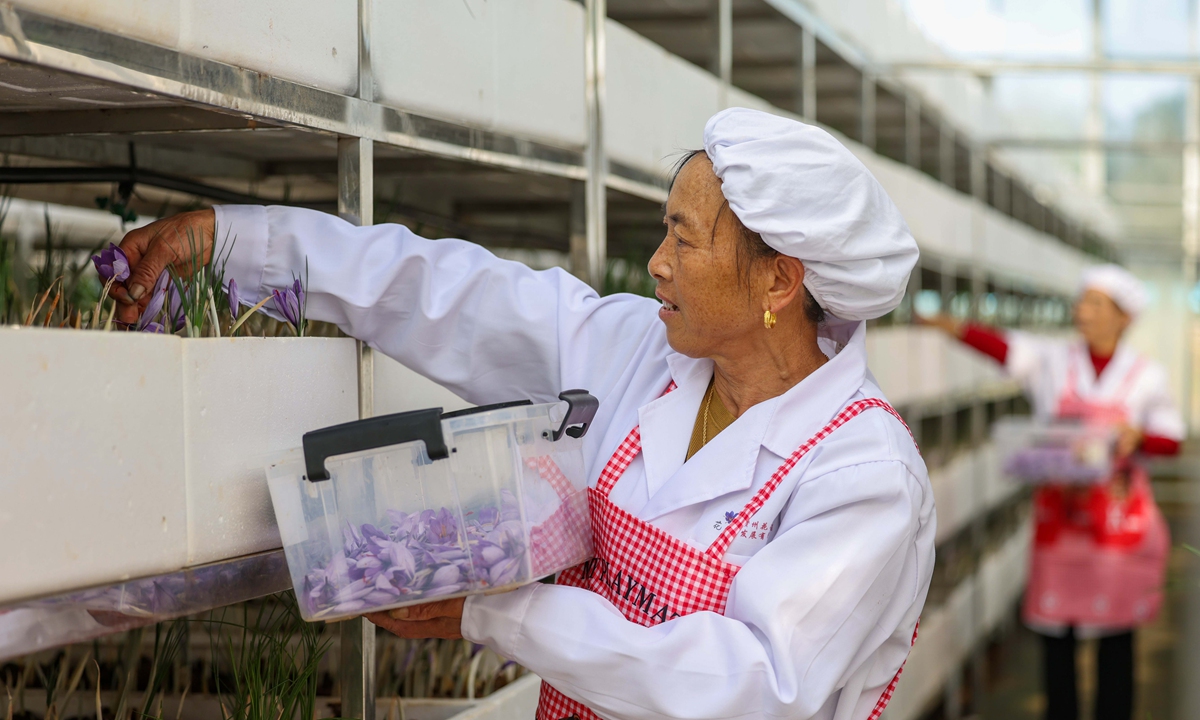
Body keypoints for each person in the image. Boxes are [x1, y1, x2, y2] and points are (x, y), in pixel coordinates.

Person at [114, 108, 935, 720]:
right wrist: (238, 243)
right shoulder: (646, 356)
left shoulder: (863, 477)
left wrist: (496, 612)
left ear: (778, 283)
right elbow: (451, 296)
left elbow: (749, 686)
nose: (656, 264)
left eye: (684, 241)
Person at [924, 265, 1183, 720]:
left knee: (1115, 642)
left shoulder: (1146, 377)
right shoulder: (1054, 361)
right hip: (1060, 522)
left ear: (1123, 317)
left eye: (1095, 303)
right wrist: (955, 328)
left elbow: (1172, 438)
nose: (1082, 311)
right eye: (1082, 301)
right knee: (1056, 642)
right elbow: (1003, 348)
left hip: (1114, 529)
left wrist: (1137, 437)